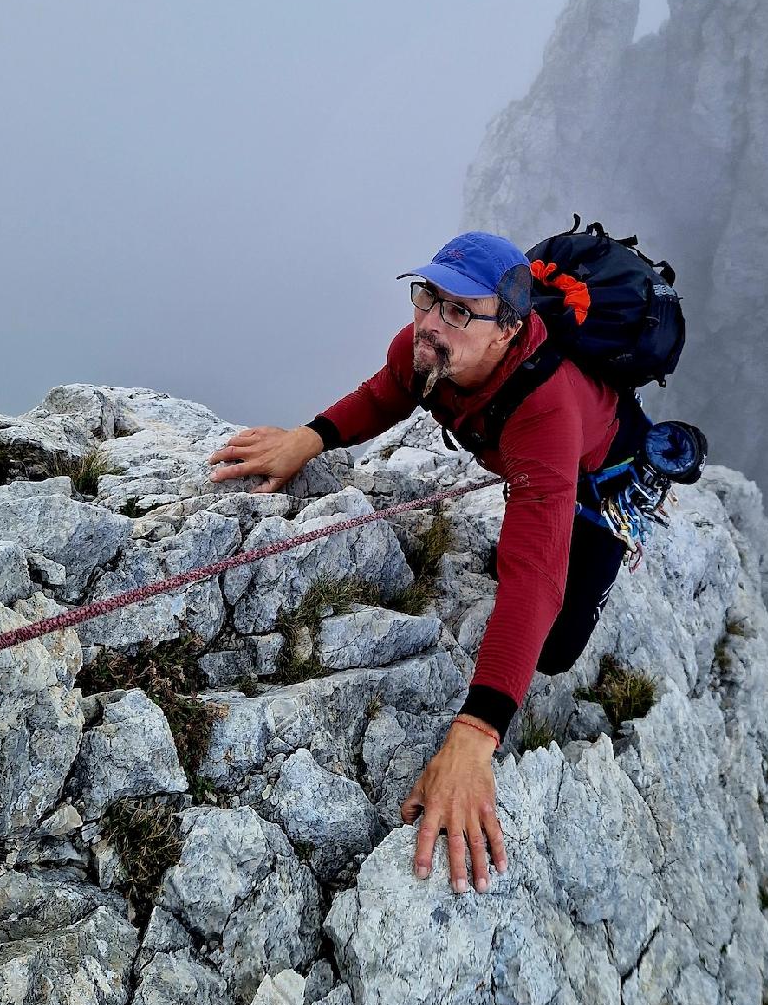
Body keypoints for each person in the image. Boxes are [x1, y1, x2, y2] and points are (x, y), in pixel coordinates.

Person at [207, 230, 652, 897]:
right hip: (535, 466)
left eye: (457, 310)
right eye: (428, 296)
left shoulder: (547, 411)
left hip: (604, 469)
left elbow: (535, 579)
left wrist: (476, 734)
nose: (429, 323)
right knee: (518, 572)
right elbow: (386, 390)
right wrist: (308, 438)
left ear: (508, 329)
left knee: (554, 644)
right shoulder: (425, 352)